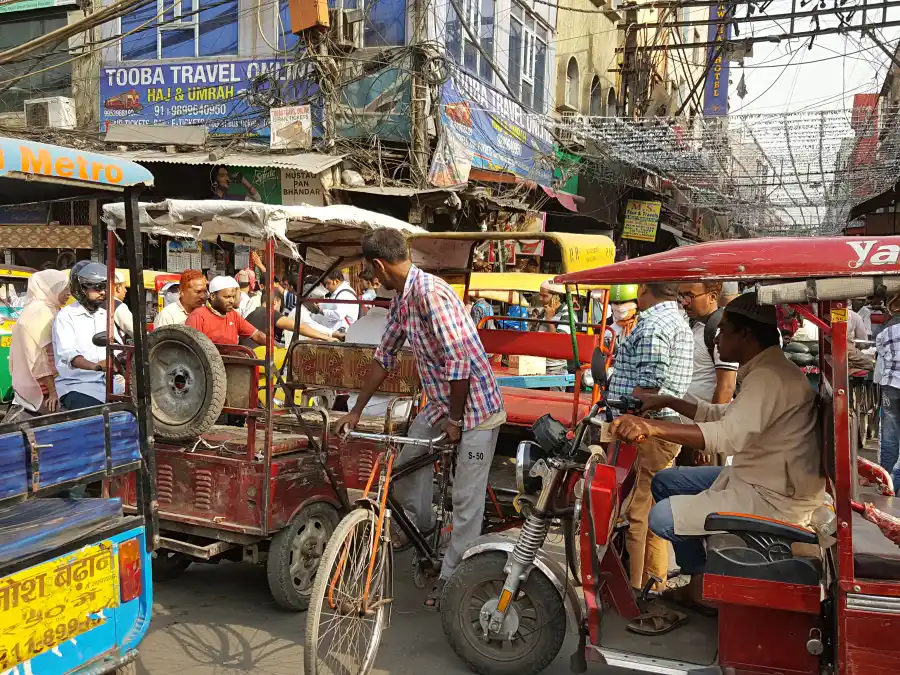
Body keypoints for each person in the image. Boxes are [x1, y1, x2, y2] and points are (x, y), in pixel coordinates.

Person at [610, 292, 824, 634]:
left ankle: (705, 588)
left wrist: (651, 427)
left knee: (660, 516)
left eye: (723, 331)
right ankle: (700, 580)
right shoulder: (766, 369)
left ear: (746, 335)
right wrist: (668, 401)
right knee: (666, 482)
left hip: (771, 497)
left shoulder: (771, 376)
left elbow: (726, 436)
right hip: (756, 477)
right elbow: (725, 414)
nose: (717, 338)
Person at [337, 228, 505, 609]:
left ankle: (452, 578)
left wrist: (457, 421)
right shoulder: (403, 299)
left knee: (465, 500)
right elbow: (385, 356)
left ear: (378, 265)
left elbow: (460, 359)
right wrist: (356, 411)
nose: (369, 275)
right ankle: (424, 529)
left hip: (476, 408)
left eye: (368, 268)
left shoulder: (432, 294)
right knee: (408, 463)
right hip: (441, 403)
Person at [609, 282, 693, 595]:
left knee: (636, 515)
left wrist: (627, 422)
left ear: (644, 289)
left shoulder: (654, 324)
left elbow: (648, 388)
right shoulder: (675, 320)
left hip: (648, 431)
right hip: (660, 429)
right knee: (651, 514)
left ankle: (634, 592)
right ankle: (653, 583)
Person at [3, 270, 70, 421]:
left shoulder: (46, 308)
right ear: (48, 289)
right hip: (42, 387)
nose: (68, 294)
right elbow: (40, 357)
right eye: (62, 289)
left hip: (44, 381)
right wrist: (53, 391)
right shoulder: (41, 312)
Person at [52, 262, 119, 409]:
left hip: (108, 383)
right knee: (96, 417)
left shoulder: (105, 315)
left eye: (105, 287)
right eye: (97, 287)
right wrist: (96, 366)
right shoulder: (66, 316)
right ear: (80, 289)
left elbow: (118, 349)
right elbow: (69, 355)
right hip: (78, 385)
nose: (103, 292)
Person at [344, 288, 412, 419]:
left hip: (354, 402)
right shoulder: (401, 329)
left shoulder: (355, 326)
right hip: (393, 406)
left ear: (375, 303)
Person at [679, 282, 738, 406]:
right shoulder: (690, 324)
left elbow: (726, 386)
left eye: (690, 296)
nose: (684, 302)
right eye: (681, 296)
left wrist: (712, 423)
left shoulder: (720, 331)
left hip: (702, 422)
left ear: (712, 297)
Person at [186, 275, 266, 346]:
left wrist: (277, 347)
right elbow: (191, 349)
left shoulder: (233, 315)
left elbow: (257, 335)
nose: (232, 301)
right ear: (213, 296)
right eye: (227, 297)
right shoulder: (198, 316)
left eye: (233, 297)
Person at [875, 293, 900, 487]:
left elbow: (881, 356)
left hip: (891, 386)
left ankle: (886, 481)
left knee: (890, 434)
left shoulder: (886, 332)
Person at [529, 281, 571, 389]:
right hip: (538, 368)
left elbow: (558, 342)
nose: (540, 299)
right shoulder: (544, 312)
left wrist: (549, 320)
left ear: (556, 297)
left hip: (555, 370)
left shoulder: (567, 314)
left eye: (544, 296)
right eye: (540, 295)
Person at [113, 272, 135, 339]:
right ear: (118, 288)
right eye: (124, 287)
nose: (126, 291)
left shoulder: (99, 303)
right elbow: (135, 331)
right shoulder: (119, 307)